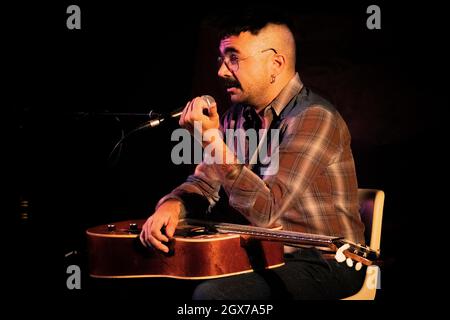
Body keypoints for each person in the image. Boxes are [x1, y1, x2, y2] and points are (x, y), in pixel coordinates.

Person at [139, 8, 366, 300]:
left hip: (326, 261)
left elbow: (267, 212)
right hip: (263, 253)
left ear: (275, 64)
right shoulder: (236, 116)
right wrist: (172, 205)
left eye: (234, 58)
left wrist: (210, 138)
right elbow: (205, 183)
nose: (221, 71)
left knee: (212, 297)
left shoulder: (314, 118)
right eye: (221, 58)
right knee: (156, 277)